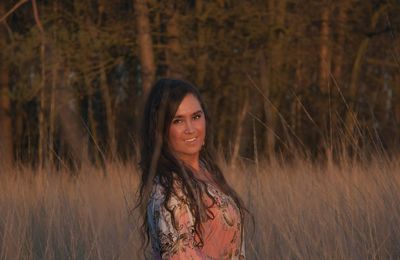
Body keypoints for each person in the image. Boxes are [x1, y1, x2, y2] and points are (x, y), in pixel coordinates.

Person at [136, 78, 246, 259]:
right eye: (178, 121)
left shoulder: (205, 171)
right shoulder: (169, 189)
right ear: (161, 130)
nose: (191, 129)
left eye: (196, 117)